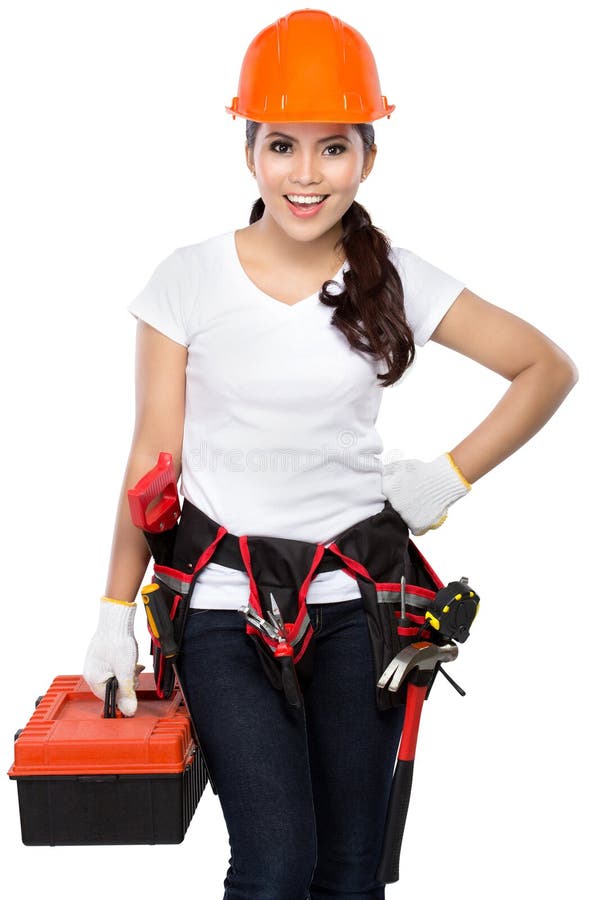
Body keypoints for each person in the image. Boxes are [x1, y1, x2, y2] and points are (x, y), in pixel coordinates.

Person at [82, 8, 578, 899]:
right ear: (248, 152)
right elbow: (150, 462)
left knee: (351, 873)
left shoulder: (395, 276)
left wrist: (447, 476)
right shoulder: (187, 280)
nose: (306, 176)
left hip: (361, 613)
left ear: (369, 156)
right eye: (281, 146)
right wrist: (115, 608)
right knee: (274, 870)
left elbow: (546, 367)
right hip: (224, 613)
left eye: (333, 148)